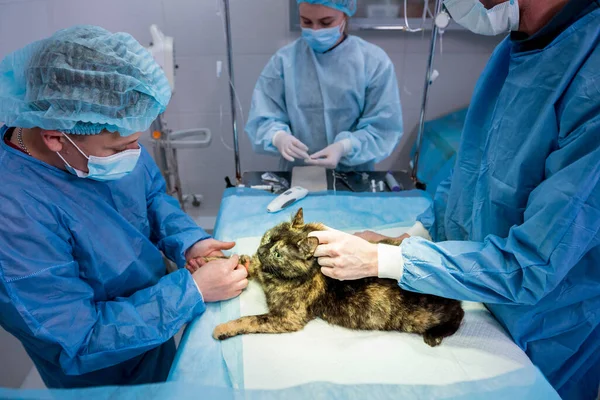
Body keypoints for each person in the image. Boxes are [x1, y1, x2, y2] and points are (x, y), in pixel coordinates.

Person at [308, 1, 600, 399]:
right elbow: (469, 174)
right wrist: (412, 236)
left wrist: (386, 261)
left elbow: (535, 265)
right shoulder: (514, 52)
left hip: (544, 326)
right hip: (472, 292)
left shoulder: (591, 74)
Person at [0, 26, 248, 389]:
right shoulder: (14, 214)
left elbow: (149, 197)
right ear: (56, 137)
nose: (134, 154)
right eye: (118, 150)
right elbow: (78, 340)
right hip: (99, 375)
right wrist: (190, 292)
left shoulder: (100, 132)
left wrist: (189, 241)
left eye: (135, 142)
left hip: (154, 327)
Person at [245, 0, 403, 171]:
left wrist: (345, 147)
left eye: (326, 22)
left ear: (345, 15)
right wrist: (277, 136)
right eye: (306, 22)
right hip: (299, 176)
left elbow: (383, 128)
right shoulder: (284, 61)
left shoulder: (373, 62)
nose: (315, 30)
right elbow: (263, 118)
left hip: (353, 178)